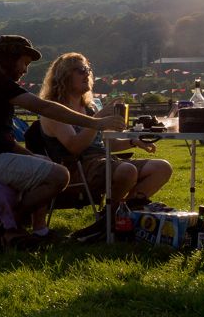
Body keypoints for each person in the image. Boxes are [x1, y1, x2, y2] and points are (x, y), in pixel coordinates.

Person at [0, 35, 126, 238]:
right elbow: (44, 107)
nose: (25, 70)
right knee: (59, 175)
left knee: (45, 163)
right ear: (10, 58)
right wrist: (95, 123)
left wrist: (31, 155)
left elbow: (4, 139)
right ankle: (9, 223)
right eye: (24, 63)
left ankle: (38, 229)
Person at [26, 52, 172, 214]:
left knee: (162, 167)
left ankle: (122, 212)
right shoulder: (55, 110)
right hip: (76, 169)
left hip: (104, 163)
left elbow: (103, 143)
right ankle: (111, 216)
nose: (87, 74)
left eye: (88, 69)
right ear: (64, 76)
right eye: (80, 70)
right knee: (127, 170)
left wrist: (132, 141)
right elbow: (75, 146)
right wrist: (98, 119)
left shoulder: (89, 108)